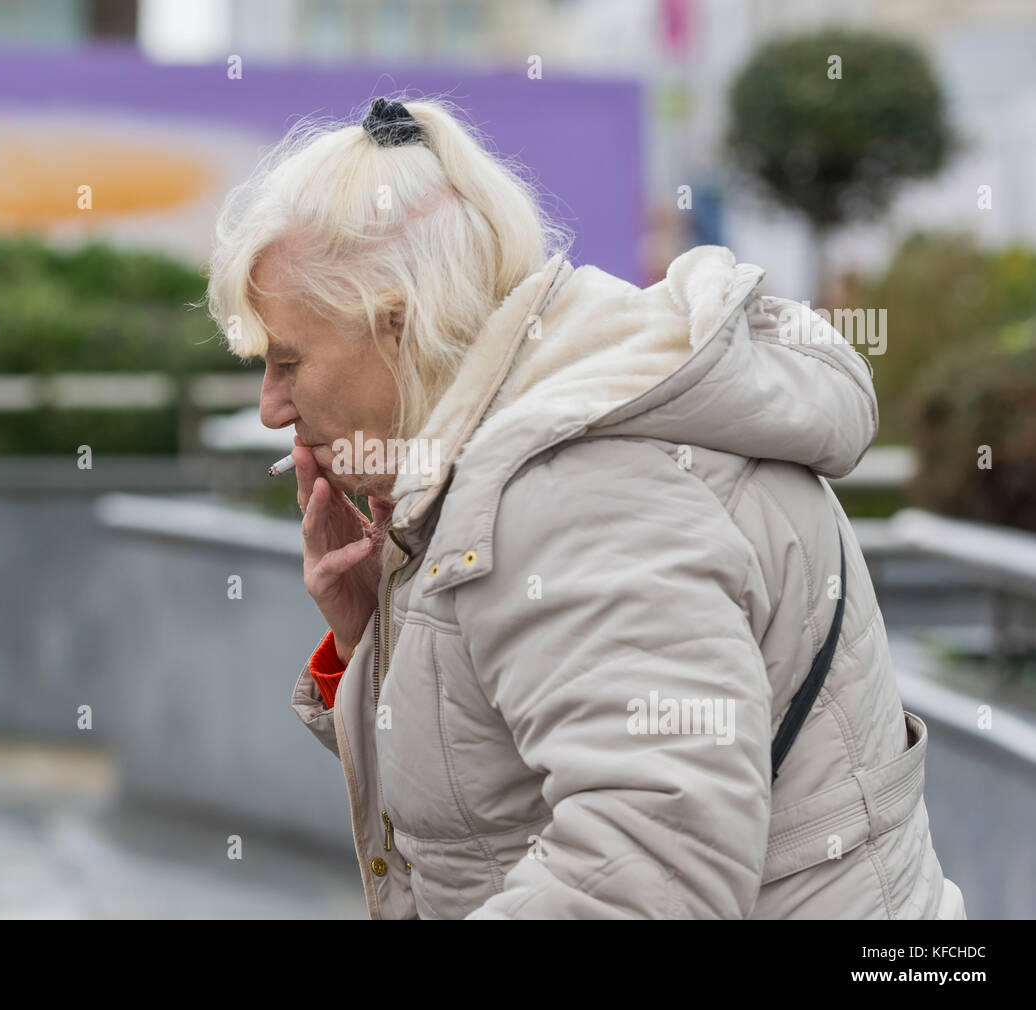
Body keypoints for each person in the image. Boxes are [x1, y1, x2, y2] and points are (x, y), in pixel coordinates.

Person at [203, 95, 967, 920]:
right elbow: (506, 790)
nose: (271, 409)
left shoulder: (574, 491)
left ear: (400, 328)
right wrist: (371, 637)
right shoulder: (523, 442)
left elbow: (647, 871)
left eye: (288, 361)